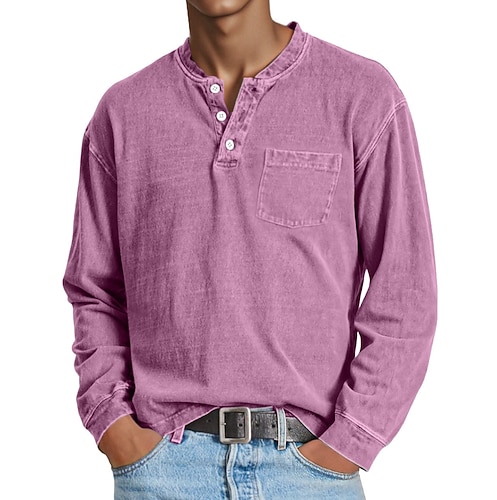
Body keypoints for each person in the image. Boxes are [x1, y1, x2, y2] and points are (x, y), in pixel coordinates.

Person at [62, 1, 438, 498]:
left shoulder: (362, 94)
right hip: (163, 472)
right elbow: (95, 291)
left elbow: (406, 292)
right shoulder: (123, 113)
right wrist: (115, 428)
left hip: (310, 467)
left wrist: (349, 442)